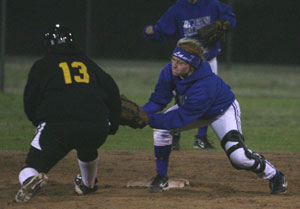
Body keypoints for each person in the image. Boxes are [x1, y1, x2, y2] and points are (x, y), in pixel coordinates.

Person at [142, 38, 287, 194]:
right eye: (173, 59)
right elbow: (158, 99)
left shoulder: (205, 83)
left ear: (191, 66)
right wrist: (141, 113)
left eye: (180, 62)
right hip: (193, 109)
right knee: (161, 130)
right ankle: (161, 176)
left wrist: (148, 119)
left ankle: (275, 175)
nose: (174, 65)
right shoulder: (170, 71)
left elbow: (182, 117)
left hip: (222, 111)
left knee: (239, 157)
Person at [15, 24, 121, 203]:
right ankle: (87, 184)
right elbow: (113, 93)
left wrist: (38, 121)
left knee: (30, 166)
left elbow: (30, 100)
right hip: (96, 126)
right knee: (87, 147)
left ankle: (31, 179)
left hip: (58, 126)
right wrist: (112, 124)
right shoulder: (90, 64)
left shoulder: (43, 65)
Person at [143, 0, 236, 150]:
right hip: (185, 63)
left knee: (207, 97)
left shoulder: (211, 4)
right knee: (181, 96)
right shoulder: (178, 9)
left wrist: (225, 23)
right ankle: (175, 135)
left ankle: (201, 138)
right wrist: (151, 33)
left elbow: (230, 17)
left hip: (208, 59)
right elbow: (162, 31)